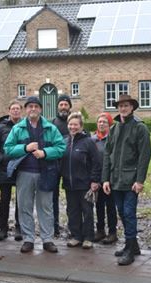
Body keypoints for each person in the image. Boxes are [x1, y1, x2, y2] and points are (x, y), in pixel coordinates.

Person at [4, 96, 66, 254]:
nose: (33, 109)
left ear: (40, 109)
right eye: (30, 106)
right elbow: (8, 149)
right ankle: (28, 239)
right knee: (25, 206)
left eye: (36, 106)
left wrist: (45, 153)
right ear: (26, 109)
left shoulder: (50, 128)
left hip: (46, 173)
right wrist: (25, 148)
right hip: (25, 173)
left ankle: (47, 239)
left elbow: (61, 148)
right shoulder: (17, 129)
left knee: (45, 207)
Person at [102, 94, 151, 266]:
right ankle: (133, 245)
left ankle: (130, 249)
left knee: (129, 213)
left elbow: (145, 156)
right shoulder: (114, 129)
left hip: (131, 180)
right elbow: (107, 155)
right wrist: (105, 179)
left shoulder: (140, 128)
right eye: (120, 106)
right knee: (122, 212)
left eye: (126, 105)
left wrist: (139, 180)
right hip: (115, 180)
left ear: (132, 107)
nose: (123, 108)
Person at [60, 112, 101, 249]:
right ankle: (76, 236)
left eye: (75, 124)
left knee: (87, 211)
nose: (73, 127)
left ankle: (88, 237)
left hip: (85, 184)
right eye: (70, 124)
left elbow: (96, 162)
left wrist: (95, 180)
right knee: (72, 211)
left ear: (81, 126)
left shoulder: (88, 142)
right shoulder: (64, 141)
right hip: (69, 184)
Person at [0, 100, 23, 241]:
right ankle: (2, 228)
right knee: (4, 200)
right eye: (13, 109)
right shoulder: (0, 127)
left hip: (21, 168)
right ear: (9, 111)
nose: (15, 111)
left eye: (18, 109)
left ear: (21, 111)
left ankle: (19, 228)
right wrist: (0, 158)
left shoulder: (25, 126)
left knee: (21, 200)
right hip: (4, 168)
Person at [91, 112, 118, 244]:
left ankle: (112, 232)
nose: (101, 124)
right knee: (99, 205)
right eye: (99, 122)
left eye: (104, 122)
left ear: (109, 125)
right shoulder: (92, 140)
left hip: (110, 178)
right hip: (97, 178)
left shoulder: (113, 139)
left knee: (111, 206)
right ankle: (100, 230)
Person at [51, 94, 72, 236]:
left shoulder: (75, 121)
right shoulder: (52, 123)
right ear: (57, 106)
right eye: (61, 104)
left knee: (72, 197)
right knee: (53, 197)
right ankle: (54, 226)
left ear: (70, 106)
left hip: (71, 165)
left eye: (66, 104)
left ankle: (73, 226)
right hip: (54, 164)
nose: (63, 107)